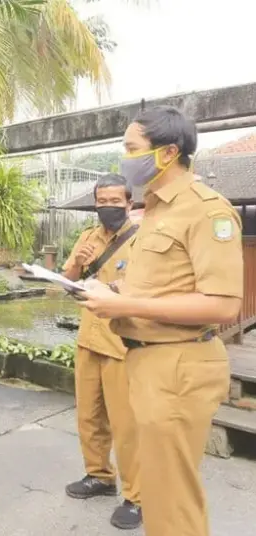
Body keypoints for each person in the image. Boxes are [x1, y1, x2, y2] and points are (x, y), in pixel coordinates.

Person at [78, 105, 243, 536]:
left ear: (168, 153)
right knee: (157, 493)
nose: (124, 159)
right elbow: (163, 286)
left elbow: (224, 305)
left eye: (132, 149)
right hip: (147, 361)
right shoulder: (154, 211)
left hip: (179, 365)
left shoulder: (207, 211)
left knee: (173, 505)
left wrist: (126, 307)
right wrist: (115, 293)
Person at [62, 173, 142, 530]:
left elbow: (144, 287)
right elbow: (67, 280)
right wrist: (77, 263)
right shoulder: (87, 237)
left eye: (115, 202)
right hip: (88, 339)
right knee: (89, 416)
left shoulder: (142, 240)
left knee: (126, 425)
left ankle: (137, 496)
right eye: (102, 202)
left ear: (129, 203)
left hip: (120, 345)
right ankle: (99, 476)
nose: (107, 208)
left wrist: (113, 287)